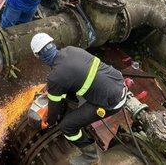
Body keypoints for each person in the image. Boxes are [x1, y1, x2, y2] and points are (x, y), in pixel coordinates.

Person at [30, 33, 127, 164]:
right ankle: (73, 111)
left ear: (39, 56)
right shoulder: (71, 50)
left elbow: (54, 108)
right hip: (119, 83)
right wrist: (55, 92)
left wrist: (50, 122)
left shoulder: (55, 77)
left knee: (67, 126)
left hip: (111, 103)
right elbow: (71, 77)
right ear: (53, 44)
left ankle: (91, 156)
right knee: (69, 92)